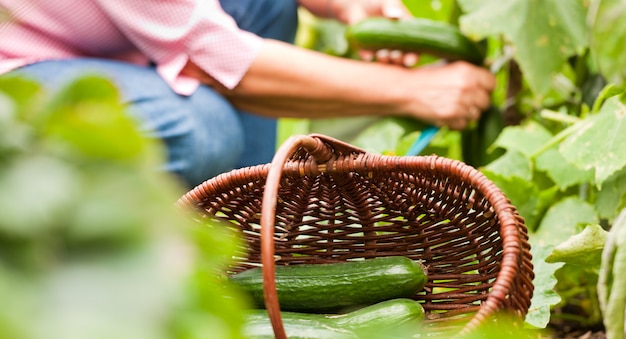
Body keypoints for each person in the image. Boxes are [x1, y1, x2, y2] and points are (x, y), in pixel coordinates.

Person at [0, 0, 495, 188]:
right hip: (15, 76)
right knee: (200, 129)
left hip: (103, 46)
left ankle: (246, 239)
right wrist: (411, 91)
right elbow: (215, 58)